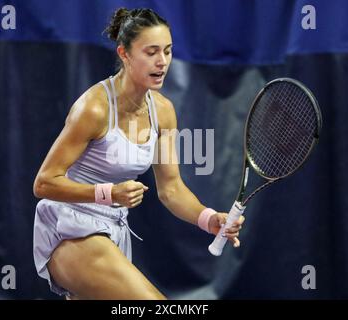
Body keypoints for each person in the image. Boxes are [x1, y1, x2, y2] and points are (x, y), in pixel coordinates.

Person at [32, 7, 245, 300]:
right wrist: (109, 194)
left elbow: (171, 189)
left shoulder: (164, 111)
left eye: (168, 51)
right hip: (70, 227)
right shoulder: (94, 109)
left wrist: (208, 219)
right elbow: (44, 183)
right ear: (125, 53)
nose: (162, 62)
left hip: (113, 231)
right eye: (151, 52)